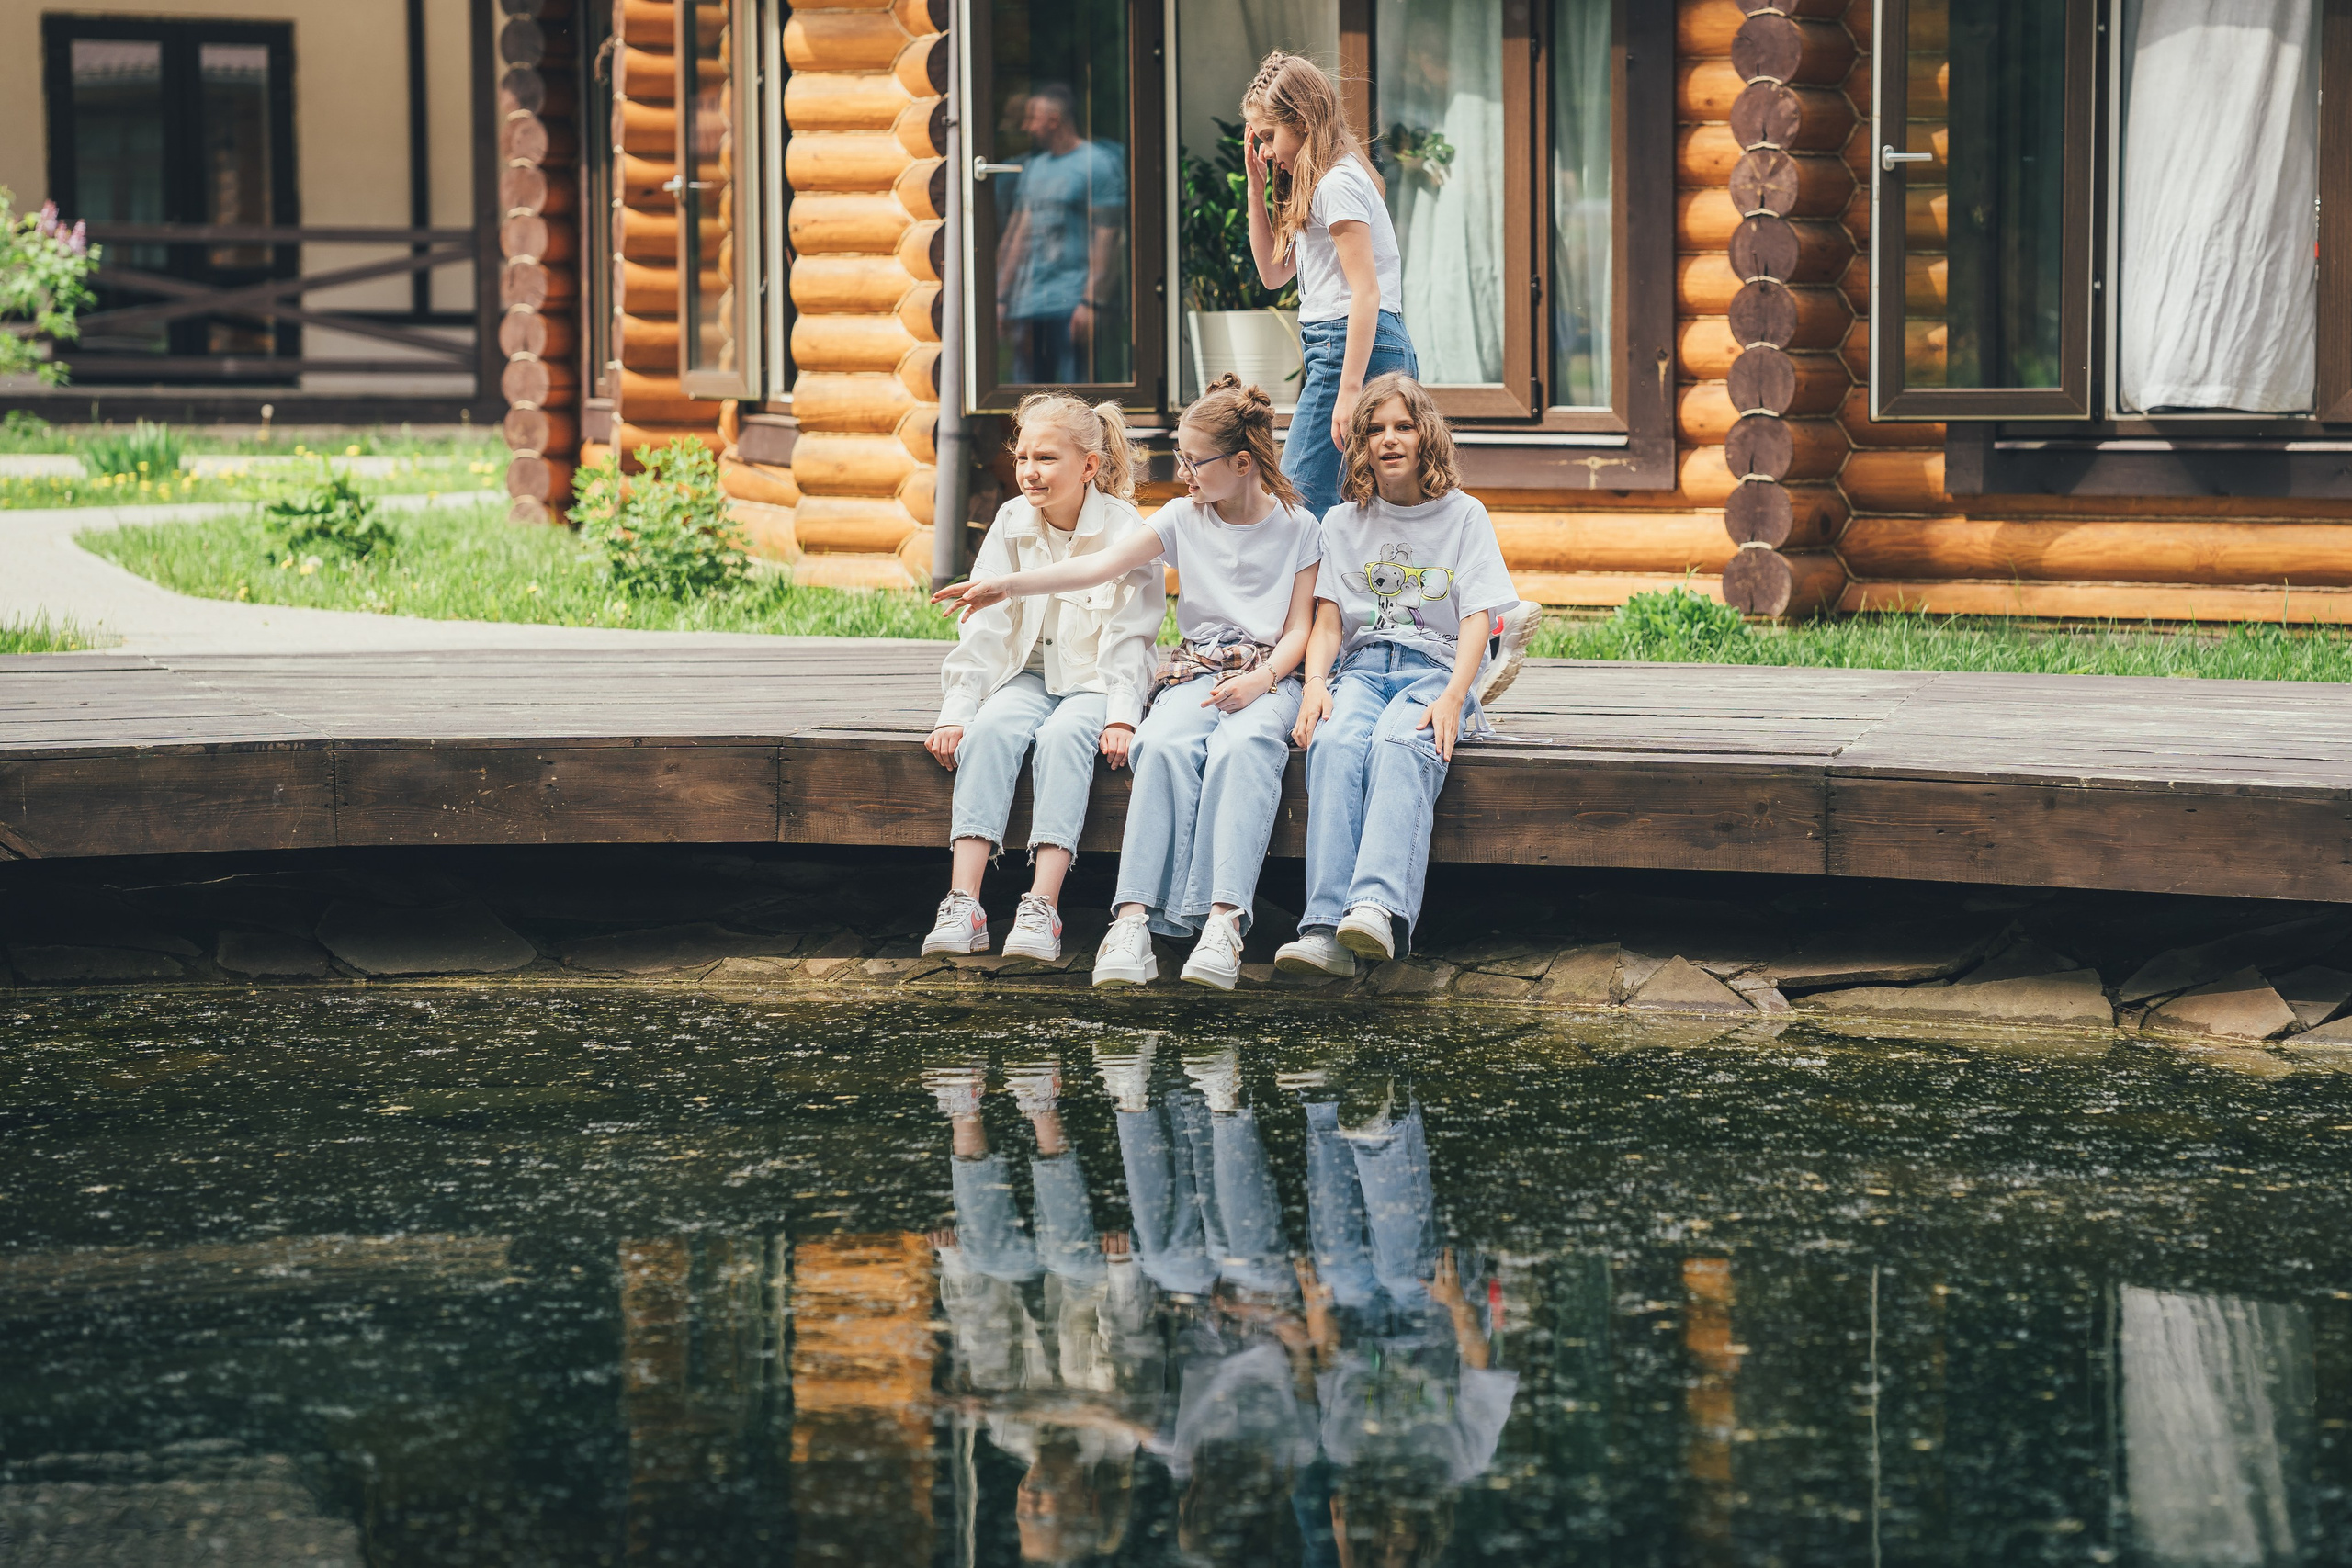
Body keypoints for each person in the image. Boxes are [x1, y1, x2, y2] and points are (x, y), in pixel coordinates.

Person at [933, 376, 1320, 989]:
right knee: (1159, 745)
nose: (1185, 473)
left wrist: (1264, 679)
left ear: (1242, 463)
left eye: (1196, 462)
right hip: (1196, 670)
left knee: (1241, 750)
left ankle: (1222, 920)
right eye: (1183, 460)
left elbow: (1303, 626)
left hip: (1266, 677)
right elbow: (1099, 564)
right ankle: (1133, 919)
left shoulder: (1301, 527)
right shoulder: (1180, 517)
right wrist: (1006, 585)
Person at [1277, 373, 1518, 976]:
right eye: (1376, 429)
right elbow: (1329, 621)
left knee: (1402, 741)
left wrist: (1455, 697)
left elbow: (1476, 617)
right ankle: (1324, 930)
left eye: (1403, 426)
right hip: (1361, 668)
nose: (1389, 439)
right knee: (1334, 744)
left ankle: (1376, 909)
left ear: (1425, 436)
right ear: (1359, 442)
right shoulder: (1341, 523)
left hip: (1436, 667)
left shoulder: (1464, 516)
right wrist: (1313, 687)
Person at [922, 394, 1161, 965]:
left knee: (1062, 740)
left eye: (1047, 458)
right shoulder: (1010, 521)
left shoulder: (1126, 531)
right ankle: (964, 903)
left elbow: (1132, 634)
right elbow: (984, 631)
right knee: (991, 732)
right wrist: (958, 710)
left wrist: (1123, 714)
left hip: (1095, 682)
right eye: (1023, 455)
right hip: (1026, 675)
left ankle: (1042, 905)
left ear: (1088, 466)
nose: (1030, 470)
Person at [1240, 51, 1419, 520]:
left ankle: (1300, 597)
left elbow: (1366, 292)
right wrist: (1255, 189)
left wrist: (1349, 390)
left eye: (1270, 136)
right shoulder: (1324, 181)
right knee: (1353, 507)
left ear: (1300, 120)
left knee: (1296, 502)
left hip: (1351, 346)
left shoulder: (1335, 184)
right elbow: (1273, 275)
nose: (1267, 150)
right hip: (1354, 345)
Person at [998, 83, 1128, 385]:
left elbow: (1108, 237)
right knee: (1026, 397)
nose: (1026, 126)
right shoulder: (1034, 168)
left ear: (1054, 120)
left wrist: (1091, 302)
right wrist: (1001, 296)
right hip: (1029, 303)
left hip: (1071, 302)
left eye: (1033, 118)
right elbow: (1018, 234)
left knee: (1077, 397)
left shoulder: (1096, 164)